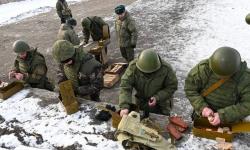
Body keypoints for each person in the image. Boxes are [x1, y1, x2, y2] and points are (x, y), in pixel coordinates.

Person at [185, 47, 250, 126]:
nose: (221, 77)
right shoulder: (204, 69)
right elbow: (190, 89)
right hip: (202, 117)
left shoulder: (245, 77)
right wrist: (202, 108)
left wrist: (223, 116)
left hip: (230, 121)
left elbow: (247, 104)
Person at [119, 49, 178, 117]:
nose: (147, 75)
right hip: (141, 103)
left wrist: (157, 97)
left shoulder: (166, 69)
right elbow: (125, 86)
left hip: (161, 105)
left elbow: (172, 87)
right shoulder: (133, 67)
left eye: (151, 73)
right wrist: (124, 106)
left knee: (160, 124)